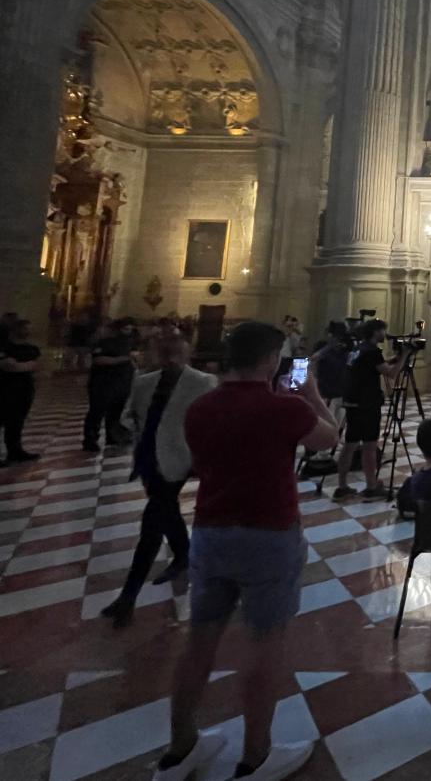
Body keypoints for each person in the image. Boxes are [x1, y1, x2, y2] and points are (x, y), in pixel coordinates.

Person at [154, 321, 338, 781]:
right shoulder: (283, 408)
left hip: (210, 532)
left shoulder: (201, 408)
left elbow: (200, 463)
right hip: (268, 533)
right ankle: (255, 756)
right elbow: (329, 439)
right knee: (264, 642)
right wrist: (309, 392)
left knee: (199, 640)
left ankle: (180, 748)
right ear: (271, 360)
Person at [100, 335, 218, 627]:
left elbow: (211, 423)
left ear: (187, 353)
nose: (171, 359)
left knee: (151, 524)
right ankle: (183, 555)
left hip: (178, 461)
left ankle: (128, 596)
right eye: (165, 353)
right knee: (166, 510)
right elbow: (131, 414)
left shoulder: (203, 383)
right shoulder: (144, 382)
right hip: (148, 459)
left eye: (176, 353)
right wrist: (131, 430)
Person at [340, 320, 406, 501]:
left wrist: (391, 360)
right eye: (383, 330)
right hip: (367, 403)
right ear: (376, 332)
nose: (385, 334)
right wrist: (405, 355)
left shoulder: (357, 349)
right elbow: (391, 374)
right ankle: (371, 486)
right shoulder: (372, 351)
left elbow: (370, 367)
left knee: (350, 444)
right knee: (369, 446)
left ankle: (342, 486)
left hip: (352, 401)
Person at [84, 316, 139, 452]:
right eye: (126, 329)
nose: (128, 332)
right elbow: (99, 360)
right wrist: (124, 359)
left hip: (122, 381)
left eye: (130, 329)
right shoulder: (103, 342)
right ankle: (90, 440)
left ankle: (112, 436)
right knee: (97, 411)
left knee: (116, 412)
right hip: (102, 382)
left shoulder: (130, 342)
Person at [0, 319, 42, 464]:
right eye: (26, 328)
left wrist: (21, 366)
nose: (29, 331)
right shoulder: (5, 347)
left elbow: (41, 366)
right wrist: (29, 365)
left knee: (17, 422)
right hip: (5, 388)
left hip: (25, 389)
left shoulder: (32, 348)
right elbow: (8, 366)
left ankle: (15, 451)